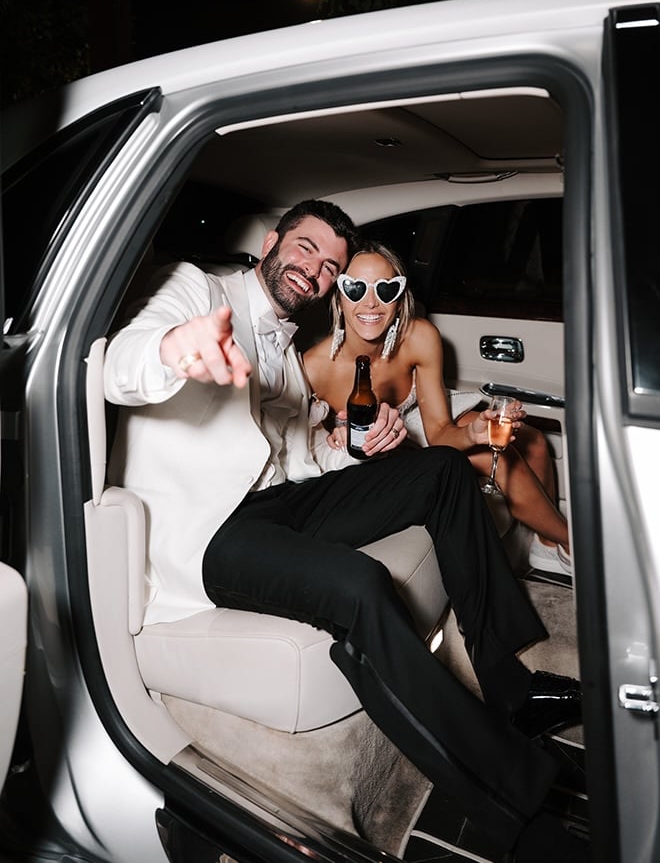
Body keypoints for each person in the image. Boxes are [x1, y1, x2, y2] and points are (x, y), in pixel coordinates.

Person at [104, 200, 586, 862]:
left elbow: (299, 454)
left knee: (443, 470)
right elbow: (120, 365)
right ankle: (510, 800)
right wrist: (171, 348)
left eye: (329, 264)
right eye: (304, 249)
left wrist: (358, 447)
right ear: (272, 242)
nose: (315, 269)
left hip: (283, 501)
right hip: (210, 533)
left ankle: (512, 687)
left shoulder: (287, 349)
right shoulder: (198, 288)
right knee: (361, 584)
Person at [303, 240, 572, 585]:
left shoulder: (420, 336)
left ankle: (548, 548)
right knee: (501, 459)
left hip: (419, 418)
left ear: (400, 298)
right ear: (339, 295)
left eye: (386, 290)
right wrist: (333, 436)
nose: (370, 302)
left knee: (531, 440)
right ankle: (575, 545)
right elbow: (308, 449)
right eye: (355, 289)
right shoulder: (314, 367)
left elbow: (440, 432)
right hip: (378, 449)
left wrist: (473, 434)